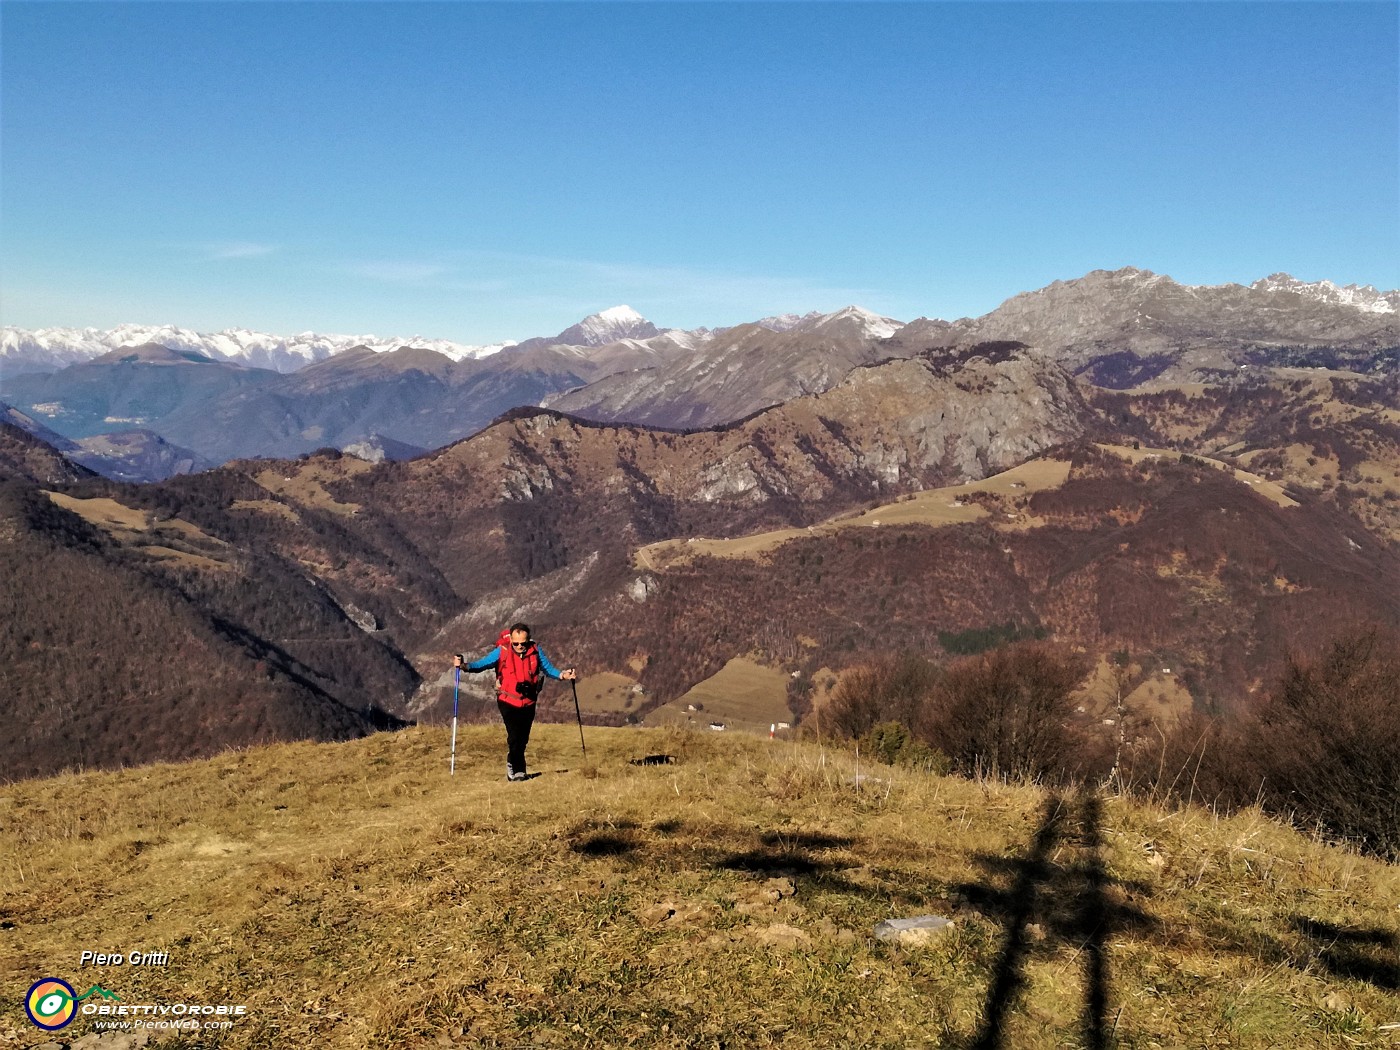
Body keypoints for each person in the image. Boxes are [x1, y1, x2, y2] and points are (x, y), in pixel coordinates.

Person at [455, 622, 578, 781]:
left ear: (528, 640)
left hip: (528, 701)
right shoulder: (502, 651)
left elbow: (548, 669)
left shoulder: (535, 651)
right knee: (514, 736)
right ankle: (518, 771)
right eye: (516, 643)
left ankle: (512, 761)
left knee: (523, 738)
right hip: (507, 700)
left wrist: (563, 675)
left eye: (523, 643)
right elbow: (481, 664)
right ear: (510, 640)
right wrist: (464, 666)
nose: (520, 646)